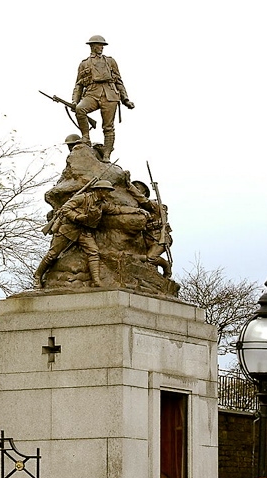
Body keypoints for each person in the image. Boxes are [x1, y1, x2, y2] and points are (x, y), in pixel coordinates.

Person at [34, 180, 146, 288]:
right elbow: (65, 209)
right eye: (107, 191)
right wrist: (77, 217)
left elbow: (117, 209)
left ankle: (96, 281)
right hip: (68, 230)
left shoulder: (102, 204)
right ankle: (38, 275)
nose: (108, 193)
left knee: (94, 252)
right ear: (100, 190)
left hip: (84, 232)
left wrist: (136, 210)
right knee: (52, 254)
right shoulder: (82, 198)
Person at [72, 35, 135, 163]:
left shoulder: (110, 61)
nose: (101, 48)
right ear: (92, 46)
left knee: (108, 127)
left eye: (102, 45)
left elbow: (119, 81)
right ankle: (86, 137)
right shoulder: (84, 64)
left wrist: (125, 99)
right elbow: (78, 85)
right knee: (80, 109)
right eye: (99, 45)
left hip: (110, 94)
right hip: (92, 93)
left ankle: (106, 154)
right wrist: (74, 100)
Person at [125, 172, 173, 278]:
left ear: (144, 192)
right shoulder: (136, 208)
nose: (135, 189)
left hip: (159, 237)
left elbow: (143, 200)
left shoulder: (155, 205)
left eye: (137, 188)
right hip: (145, 238)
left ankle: (166, 266)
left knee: (151, 258)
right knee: (147, 263)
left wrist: (129, 185)